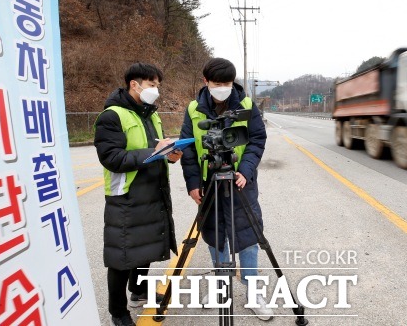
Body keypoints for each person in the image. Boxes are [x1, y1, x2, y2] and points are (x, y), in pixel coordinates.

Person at [179, 57, 273, 320]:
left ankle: (254, 294)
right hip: (209, 184)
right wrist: (193, 183)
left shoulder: (245, 104)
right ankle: (221, 288)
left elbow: (257, 139)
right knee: (215, 236)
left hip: (242, 183)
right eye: (218, 83)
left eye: (227, 83)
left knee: (248, 238)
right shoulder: (193, 109)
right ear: (206, 82)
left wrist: (246, 170)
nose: (223, 87)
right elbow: (186, 147)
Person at [94, 62, 182, 326]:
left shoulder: (150, 114)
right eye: (152, 84)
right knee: (121, 256)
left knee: (147, 247)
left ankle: (139, 292)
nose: (156, 90)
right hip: (127, 195)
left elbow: (157, 148)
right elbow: (111, 158)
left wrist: (171, 155)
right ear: (135, 84)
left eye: (157, 85)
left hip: (154, 191)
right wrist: (153, 154)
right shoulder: (112, 116)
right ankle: (118, 312)